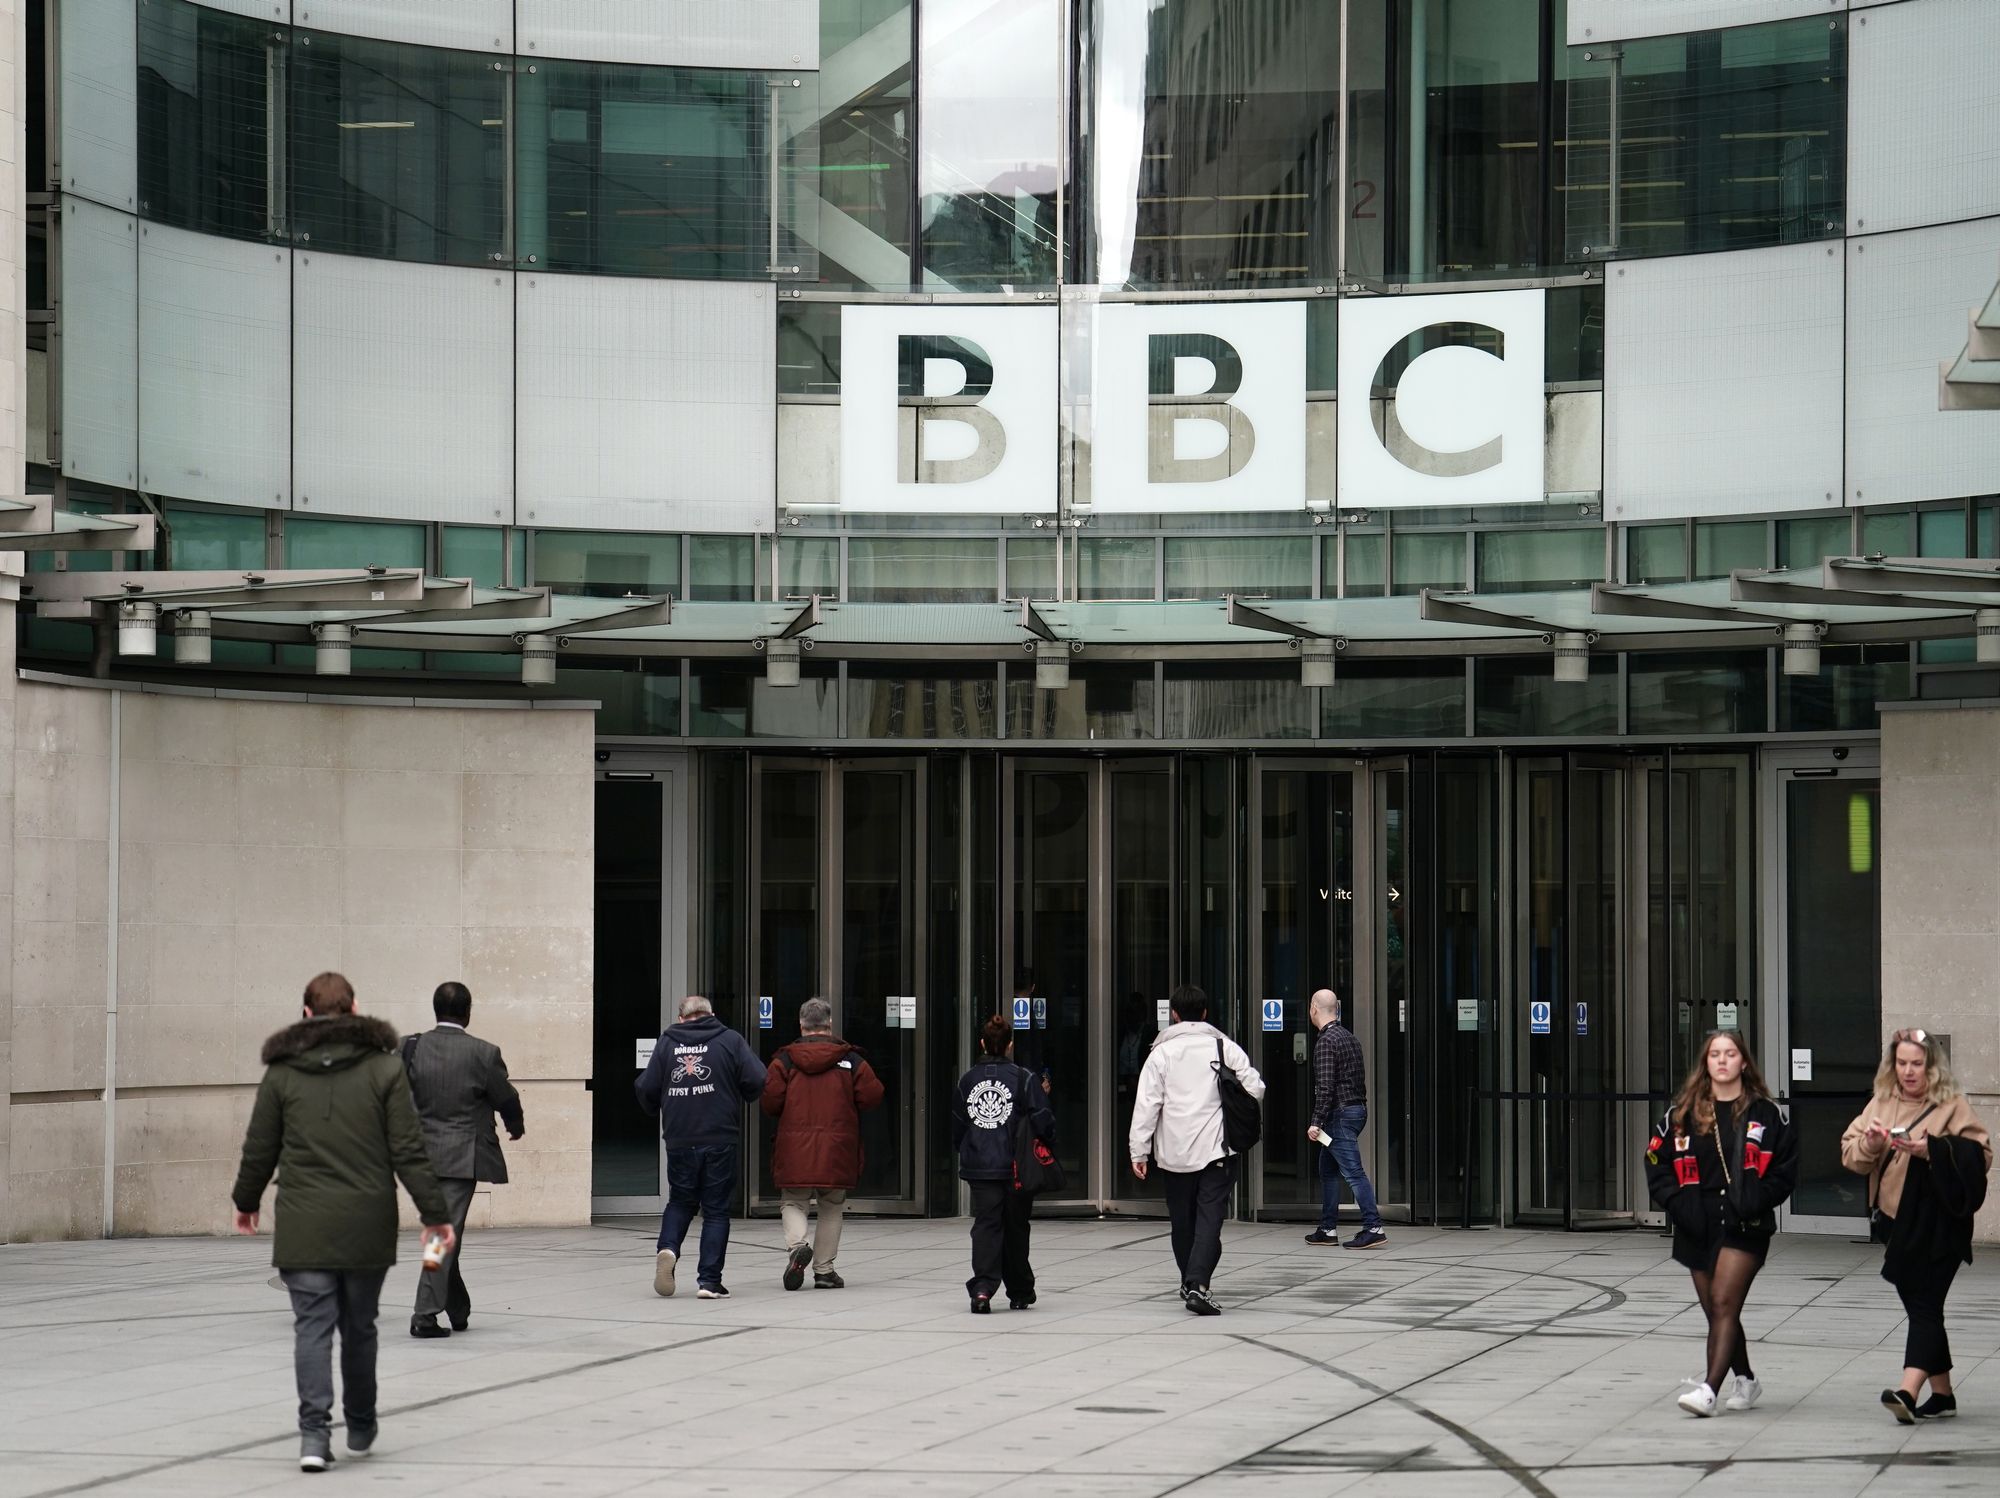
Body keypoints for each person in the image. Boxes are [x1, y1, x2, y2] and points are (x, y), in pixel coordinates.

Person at [231, 973, 454, 1473]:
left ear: (306, 1014)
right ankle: (360, 1421)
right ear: (355, 1007)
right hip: (366, 1222)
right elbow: (408, 1149)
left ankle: (313, 1436)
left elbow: (259, 1146)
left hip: (302, 1225)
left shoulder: (282, 1072)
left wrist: (246, 1202)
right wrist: (435, 1216)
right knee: (360, 1327)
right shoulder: (384, 1069)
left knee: (312, 1328)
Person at [1839, 1027, 1993, 1423]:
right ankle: (1942, 1395)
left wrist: (1933, 1151)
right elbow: (1851, 1157)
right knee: (1924, 1307)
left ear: (1932, 1066)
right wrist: (1873, 1145)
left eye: (1917, 1064)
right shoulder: (1881, 1103)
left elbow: (1982, 1156)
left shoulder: (1951, 1105)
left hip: (1942, 1225)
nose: (1909, 1072)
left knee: (1925, 1305)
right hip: (1896, 1223)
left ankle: (1908, 1390)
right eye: (1902, 1063)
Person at [1645, 1029, 1798, 1418]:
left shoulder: (1767, 1114)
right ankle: (1745, 1377)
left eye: (1731, 1053)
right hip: (1697, 1221)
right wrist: (1679, 1205)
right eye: (1715, 1054)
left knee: (1725, 1302)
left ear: (1743, 1062)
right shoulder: (1681, 1115)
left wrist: (1756, 1200)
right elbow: (1656, 1164)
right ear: (1706, 1063)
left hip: (1745, 1222)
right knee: (1717, 1310)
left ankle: (1708, 1391)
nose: (1723, 1060)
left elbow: (1784, 1170)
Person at [1128, 984, 1267, 1316]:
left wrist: (1139, 1151)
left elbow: (1146, 1105)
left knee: (1182, 1222)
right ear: (1205, 1013)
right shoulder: (1223, 1047)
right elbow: (1256, 1087)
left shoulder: (1160, 1053)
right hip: (1216, 1149)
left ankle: (1189, 1281)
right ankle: (1197, 1285)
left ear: (1174, 1015)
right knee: (1209, 1220)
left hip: (1173, 1152)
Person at [402, 980, 525, 1339]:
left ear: (435, 1009)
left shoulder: (410, 1047)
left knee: (442, 1232)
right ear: (468, 1013)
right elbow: (505, 1096)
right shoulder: (483, 1053)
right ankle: (425, 1314)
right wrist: (515, 1125)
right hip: (460, 1157)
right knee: (443, 1235)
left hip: (417, 1156)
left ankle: (458, 1308)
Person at [636, 995, 768, 1300]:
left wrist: (657, 1107)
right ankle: (709, 1282)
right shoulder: (729, 1039)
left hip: (680, 1137)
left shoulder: (667, 1042)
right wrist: (743, 1094)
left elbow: (645, 1087)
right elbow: (758, 1077)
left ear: (682, 1018)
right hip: (719, 1136)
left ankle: (667, 1248)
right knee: (716, 1210)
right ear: (711, 1014)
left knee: (680, 1201)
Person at [762, 997, 885, 1291]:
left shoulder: (784, 1061)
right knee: (832, 1205)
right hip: (837, 1147)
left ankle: (797, 1248)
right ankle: (824, 1271)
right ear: (829, 1025)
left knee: (793, 1200)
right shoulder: (851, 1060)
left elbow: (769, 1101)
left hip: (794, 1147)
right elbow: (873, 1096)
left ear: (802, 1025)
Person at [952, 1013, 1055, 1313]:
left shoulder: (967, 1080)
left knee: (986, 1225)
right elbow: (1043, 1120)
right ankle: (1020, 1290)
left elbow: (958, 1125)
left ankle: (982, 1288)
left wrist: (968, 1149)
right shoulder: (1024, 1078)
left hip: (980, 1165)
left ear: (983, 1043)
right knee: (1016, 1227)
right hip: (1016, 1165)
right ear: (1009, 1045)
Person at [1303, 989, 1386, 1250]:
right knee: (1327, 1170)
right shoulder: (1349, 1037)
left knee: (1353, 1173)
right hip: (1355, 1110)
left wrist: (1316, 1121)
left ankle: (1373, 1227)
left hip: (1338, 1115)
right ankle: (1327, 1228)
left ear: (1314, 1008)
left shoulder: (1327, 1041)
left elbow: (1325, 1087)